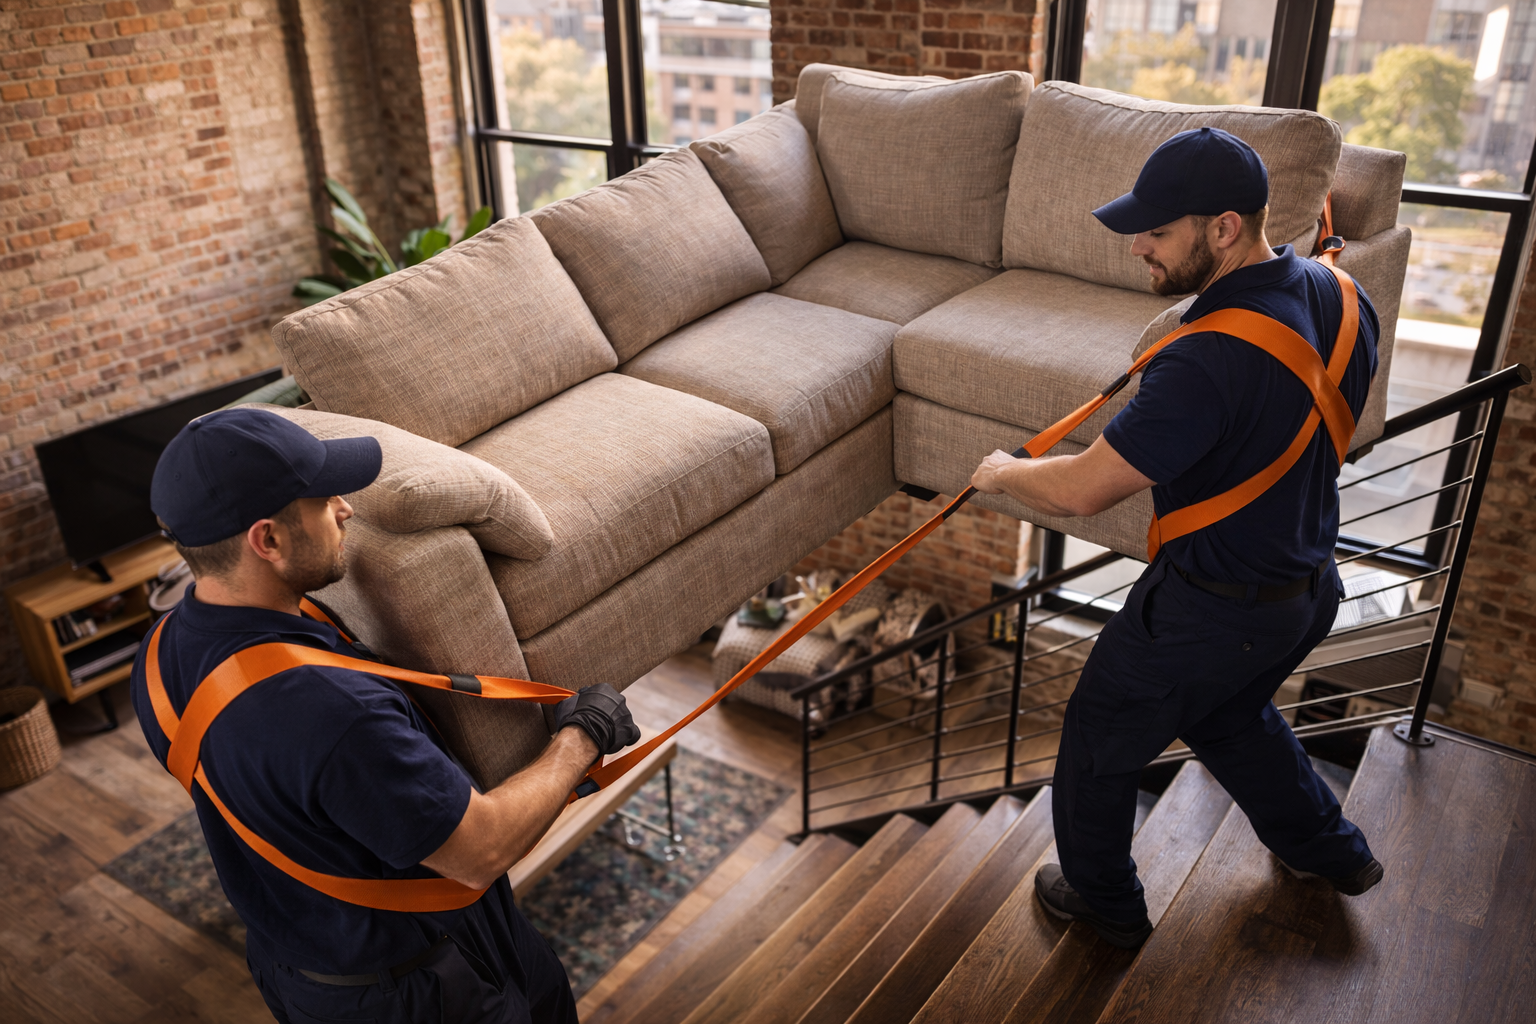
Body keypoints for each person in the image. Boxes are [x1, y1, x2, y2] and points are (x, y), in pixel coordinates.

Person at [970, 127, 1384, 949]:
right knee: (1230, 716)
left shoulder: (1202, 363)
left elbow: (1087, 487)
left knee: (1098, 741)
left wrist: (1000, 475)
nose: (1138, 250)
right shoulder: (1344, 296)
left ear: (1224, 227)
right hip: (1305, 590)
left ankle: (1102, 904)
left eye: (1157, 233)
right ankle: (1333, 854)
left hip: (1210, 607)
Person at [129, 408, 640, 1022]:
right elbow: (481, 849)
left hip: (298, 965)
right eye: (323, 500)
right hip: (420, 987)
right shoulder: (333, 715)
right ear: (268, 540)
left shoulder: (158, 656)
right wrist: (583, 738)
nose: (346, 507)